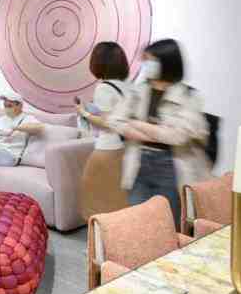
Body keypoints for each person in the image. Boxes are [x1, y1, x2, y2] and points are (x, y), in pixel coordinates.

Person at [109, 39, 210, 228]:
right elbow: (115, 121)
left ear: (167, 61)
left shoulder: (188, 96)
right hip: (139, 162)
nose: (145, 64)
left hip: (171, 166)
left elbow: (178, 137)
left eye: (150, 60)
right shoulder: (138, 91)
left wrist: (136, 124)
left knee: (167, 225)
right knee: (137, 221)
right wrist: (158, 133)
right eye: (145, 60)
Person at [76, 42, 130, 220]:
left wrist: (83, 113)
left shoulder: (104, 88)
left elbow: (107, 123)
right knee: (117, 199)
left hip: (107, 147)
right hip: (125, 148)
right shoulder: (127, 87)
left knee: (91, 197)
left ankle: (98, 236)